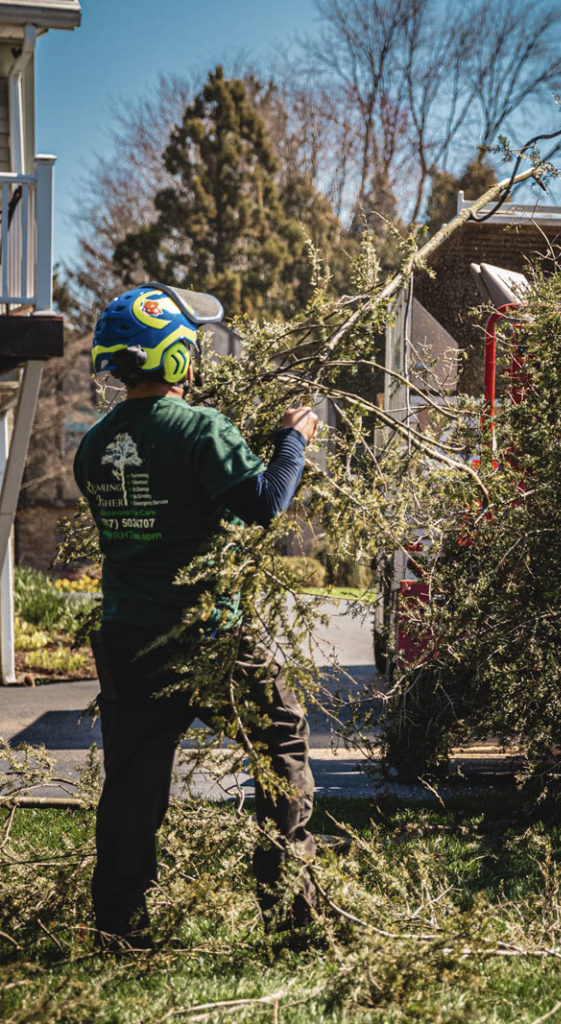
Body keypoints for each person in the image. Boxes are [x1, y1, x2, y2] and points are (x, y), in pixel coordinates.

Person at [74, 283, 319, 948]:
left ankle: (119, 929)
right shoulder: (200, 428)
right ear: (179, 357)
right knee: (281, 746)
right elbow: (264, 503)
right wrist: (292, 439)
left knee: (132, 788)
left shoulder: (92, 447)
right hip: (207, 638)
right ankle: (289, 914)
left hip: (126, 637)